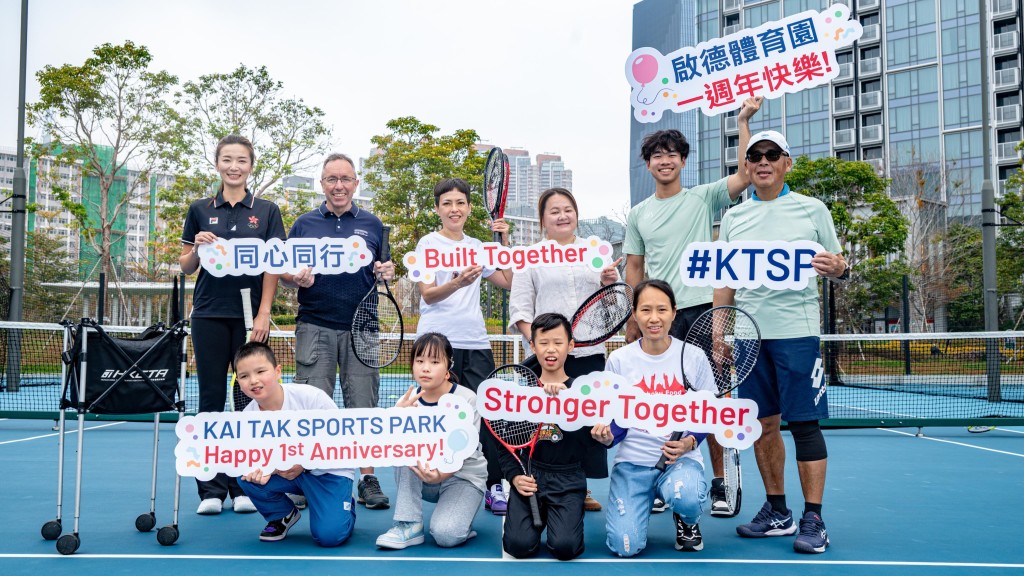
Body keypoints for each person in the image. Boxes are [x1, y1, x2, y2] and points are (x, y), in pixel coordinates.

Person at [624, 96, 761, 515]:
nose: (664, 161)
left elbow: (746, 175)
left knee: (708, 402)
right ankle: (662, 477)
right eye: (657, 156)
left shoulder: (703, 197)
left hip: (703, 312)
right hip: (658, 317)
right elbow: (635, 267)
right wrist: (633, 316)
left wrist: (743, 121)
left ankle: (718, 483)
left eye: (672, 154)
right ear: (648, 165)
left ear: (683, 161)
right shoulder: (638, 214)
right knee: (659, 401)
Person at [713, 130, 848, 554]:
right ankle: (777, 511)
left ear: (787, 163)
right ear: (747, 166)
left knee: (804, 425)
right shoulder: (734, 217)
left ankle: (814, 518)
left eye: (773, 155)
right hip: (749, 336)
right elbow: (725, 279)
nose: (763, 162)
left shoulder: (813, 209)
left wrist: (838, 268)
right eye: (755, 156)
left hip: (797, 333)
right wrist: (720, 330)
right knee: (762, 425)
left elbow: (839, 264)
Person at [280, 153, 395, 510]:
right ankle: (308, 476)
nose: (339, 186)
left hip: (362, 327)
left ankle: (367, 478)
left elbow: (383, 269)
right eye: (332, 179)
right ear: (322, 184)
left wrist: (388, 272)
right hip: (314, 325)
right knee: (311, 408)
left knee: (363, 407)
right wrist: (294, 278)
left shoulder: (373, 225)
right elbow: (284, 273)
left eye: (346, 179)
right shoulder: (304, 224)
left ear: (356, 183)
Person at [180, 134, 285, 515]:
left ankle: (244, 484)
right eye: (227, 159)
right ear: (217, 164)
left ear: (251, 166)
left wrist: (263, 312)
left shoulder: (267, 211)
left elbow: (274, 264)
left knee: (250, 399)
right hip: (208, 314)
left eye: (241, 160)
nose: (234, 166)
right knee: (210, 399)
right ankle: (210, 488)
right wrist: (196, 246)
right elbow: (186, 266)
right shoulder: (199, 209)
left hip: (248, 317)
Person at [508, 187, 621, 511]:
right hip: (548, 359)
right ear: (543, 220)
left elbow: (613, 306)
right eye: (554, 211)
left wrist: (609, 283)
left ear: (576, 214)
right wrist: (541, 346)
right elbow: (520, 311)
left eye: (567, 209)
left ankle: (580, 487)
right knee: (549, 422)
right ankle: (541, 481)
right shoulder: (530, 257)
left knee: (586, 419)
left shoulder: (595, 253)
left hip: (589, 353)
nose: (562, 216)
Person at [593, 279, 714, 556]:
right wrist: (608, 437)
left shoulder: (694, 357)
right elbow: (617, 421)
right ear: (635, 314)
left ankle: (687, 519)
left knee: (687, 497)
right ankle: (641, 502)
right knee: (625, 546)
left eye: (662, 309)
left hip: (679, 462)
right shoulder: (619, 360)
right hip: (632, 465)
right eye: (646, 310)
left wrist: (689, 443)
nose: (654, 318)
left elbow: (708, 414)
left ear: (674, 312)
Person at [414, 178, 513, 516]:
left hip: (475, 342)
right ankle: (433, 477)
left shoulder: (479, 247)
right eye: (447, 203)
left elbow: (508, 282)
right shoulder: (428, 243)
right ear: (438, 209)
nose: (454, 209)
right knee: (433, 415)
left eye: (460, 203)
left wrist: (504, 243)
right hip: (437, 344)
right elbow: (428, 294)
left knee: (487, 415)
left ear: (469, 208)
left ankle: (494, 484)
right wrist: (458, 282)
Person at [232, 341, 355, 546]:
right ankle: (281, 515)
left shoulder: (311, 397)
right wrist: (262, 470)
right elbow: (257, 457)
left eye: (261, 371)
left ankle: (344, 503)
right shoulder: (247, 417)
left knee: (329, 537)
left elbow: (342, 442)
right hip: (286, 475)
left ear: (277, 371)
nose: (253, 380)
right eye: (244, 376)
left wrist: (304, 464)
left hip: (328, 473)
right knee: (245, 475)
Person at [500, 313, 601, 561]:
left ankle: (561, 516)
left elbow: (590, 443)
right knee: (517, 546)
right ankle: (532, 519)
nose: (551, 349)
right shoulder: (520, 395)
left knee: (565, 548)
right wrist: (514, 477)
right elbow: (504, 443)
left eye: (558, 342)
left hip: (568, 479)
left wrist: (567, 404)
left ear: (571, 345)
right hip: (530, 476)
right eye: (544, 343)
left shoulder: (583, 395)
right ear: (533, 346)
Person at [375, 333, 487, 549]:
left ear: (448, 369)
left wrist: (441, 475)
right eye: (419, 361)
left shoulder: (467, 400)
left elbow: (463, 451)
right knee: (404, 451)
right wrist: (395, 418)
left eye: (434, 362)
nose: (425, 368)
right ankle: (409, 524)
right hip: (423, 475)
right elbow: (388, 446)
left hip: (462, 478)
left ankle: (459, 524)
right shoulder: (407, 402)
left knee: (446, 536)